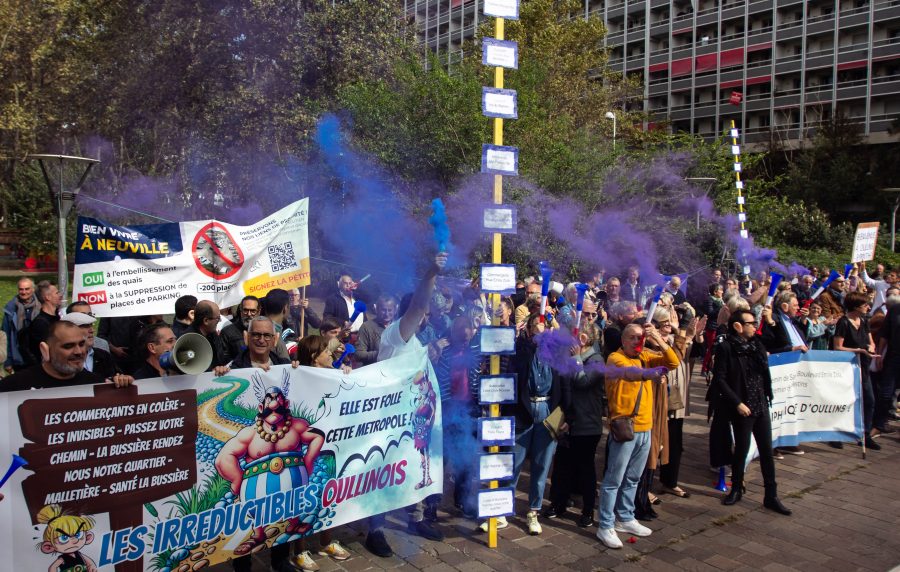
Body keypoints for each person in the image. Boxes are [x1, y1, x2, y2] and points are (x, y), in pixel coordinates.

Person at [364, 253, 447, 559]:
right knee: (385, 474)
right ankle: (376, 530)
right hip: (389, 420)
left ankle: (417, 519)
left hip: (415, 417)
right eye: (421, 313)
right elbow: (420, 305)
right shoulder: (396, 334)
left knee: (416, 470)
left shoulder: (414, 340)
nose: (426, 316)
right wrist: (431, 273)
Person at [596, 323, 678, 549]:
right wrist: (650, 373)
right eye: (632, 338)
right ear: (623, 340)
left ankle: (626, 517)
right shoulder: (615, 358)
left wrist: (658, 340)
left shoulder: (646, 355)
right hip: (625, 428)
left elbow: (673, 362)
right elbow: (629, 374)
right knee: (613, 480)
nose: (637, 342)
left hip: (645, 428)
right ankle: (605, 525)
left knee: (633, 478)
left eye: (640, 338)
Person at [711, 309, 792, 516]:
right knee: (742, 449)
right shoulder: (726, 347)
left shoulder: (756, 344)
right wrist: (737, 403)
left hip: (760, 404)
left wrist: (771, 320)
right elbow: (719, 379)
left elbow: (782, 341)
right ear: (738, 326)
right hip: (742, 407)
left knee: (766, 451)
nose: (755, 326)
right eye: (750, 323)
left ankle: (771, 495)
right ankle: (737, 488)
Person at [507, 312, 569, 536]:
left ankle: (533, 511)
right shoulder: (522, 350)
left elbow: (565, 386)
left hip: (547, 412)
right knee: (514, 462)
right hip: (524, 411)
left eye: (544, 326)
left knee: (542, 466)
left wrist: (566, 417)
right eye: (536, 325)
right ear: (530, 329)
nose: (540, 330)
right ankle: (504, 509)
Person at [547, 322, 604, 527]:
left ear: (583, 340)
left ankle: (588, 510)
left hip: (587, 424)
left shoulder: (597, 360)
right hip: (567, 421)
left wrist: (576, 359)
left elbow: (583, 382)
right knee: (562, 465)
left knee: (585, 468)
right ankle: (558, 502)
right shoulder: (569, 356)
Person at [0, 320, 133, 392]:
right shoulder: (14, 386)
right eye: (68, 346)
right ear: (45, 350)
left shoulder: (97, 384)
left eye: (81, 344)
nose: (78, 351)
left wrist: (123, 387)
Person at [833, 291, 881, 451]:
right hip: (847, 367)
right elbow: (838, 347)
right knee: (845, 400)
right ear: (855, 306)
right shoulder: (844, 322)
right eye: (865, 304)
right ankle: (836, 434)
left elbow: (871, 341)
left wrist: (871, 347)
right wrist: (858, 350)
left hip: (863, 366)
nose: (868, 307)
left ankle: (865, 435)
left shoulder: (865, 320)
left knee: (869, 400)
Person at [63, 302, 116, 380]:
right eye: (82, 317)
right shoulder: (61, 356)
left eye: (90, 315)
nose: (91, 329)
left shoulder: (103, 352)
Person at [21, 280, 62, 367]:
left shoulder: (57, 319)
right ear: (48, 297)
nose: (60, 295)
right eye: (57, 293)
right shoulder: (40, 324)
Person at [2, 277, 38, 373]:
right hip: (19, 357)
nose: (24, 292)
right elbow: (6, 336)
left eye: (27, 289)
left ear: (33, 289)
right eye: (21, 289)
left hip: (38, 356)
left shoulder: (41, 306)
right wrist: (8, 361)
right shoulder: (10, 309)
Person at [187, 300, 235, 369]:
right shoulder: (187, 340)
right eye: (218, 318)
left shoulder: (213, 334)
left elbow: (221, 358)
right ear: (206, 321)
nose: (220, 321)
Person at [355, 295, 397, 365]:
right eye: (383, 310)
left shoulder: (398, 327)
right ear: (376, 309)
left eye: (390, 310)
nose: (386, 314)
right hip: (373, 369)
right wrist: (380, 354)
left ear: (395, 310)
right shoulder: (367, 326)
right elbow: (358, 354)